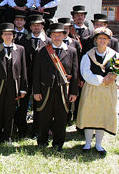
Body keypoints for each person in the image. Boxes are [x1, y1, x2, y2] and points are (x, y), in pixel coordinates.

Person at [76, 27, 119, 156]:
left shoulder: (116, 56)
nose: (102, 40)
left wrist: (114, 77)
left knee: (102, 116)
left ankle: (98, 144)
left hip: (108, 91)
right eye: (100, 38)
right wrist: (101, 80)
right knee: (89, 114)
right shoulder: (88, 55)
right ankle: (87, 143)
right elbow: (85, 72)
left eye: (105, 38)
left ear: (108, 40)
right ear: (96, 40)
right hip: (92, 89)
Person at [33, 23, 78, 152]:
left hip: (63, 91)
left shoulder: (72, 51)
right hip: (46, 89)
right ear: (50, 36)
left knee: (61, 118)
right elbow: (37, 73)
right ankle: (42, 140)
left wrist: (74, 92)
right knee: (44, 117)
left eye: (59, 35)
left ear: (64, 35)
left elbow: (75, 74)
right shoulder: (42, 51)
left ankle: (58, 143)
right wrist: (36, 91)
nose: (57, 37)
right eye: (54, 35)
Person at [0, 23, 27, 143]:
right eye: (5, 34)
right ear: (1, 36)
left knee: (10, 112)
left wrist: (23, 88)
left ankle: (7, 136)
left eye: (10, 34)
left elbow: (23, 70)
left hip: (13, 87)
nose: (8, 36)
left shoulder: (20, 49)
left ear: (13, 36)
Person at [16, 14, 52, 138]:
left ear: (43, 26)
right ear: (30, 27)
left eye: (39, 25)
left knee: (39, 103)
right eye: (34, 25)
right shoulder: (21, 40)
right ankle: (21, 128)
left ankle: (37, 129)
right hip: (26, 76)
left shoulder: (49, 42)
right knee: (23, 103)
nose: (36, 27)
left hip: (42, 78)